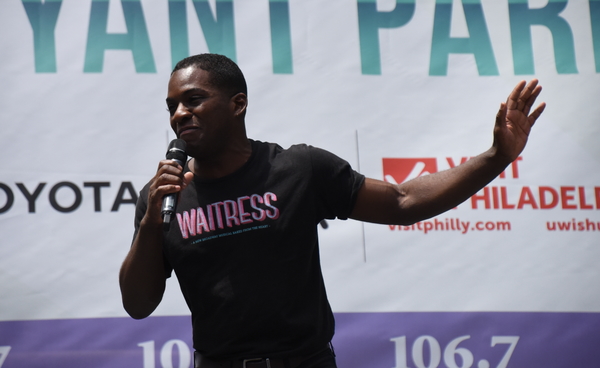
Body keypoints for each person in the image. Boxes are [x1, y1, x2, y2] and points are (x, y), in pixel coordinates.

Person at [119, 53, 545, 368]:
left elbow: (403, 202)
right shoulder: (163, 198)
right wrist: (149, 223)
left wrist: (495, 157)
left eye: (193, 100)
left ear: (237, 104)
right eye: (172, 106)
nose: (179, 114)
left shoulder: (298, 168)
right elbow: (138, 304)